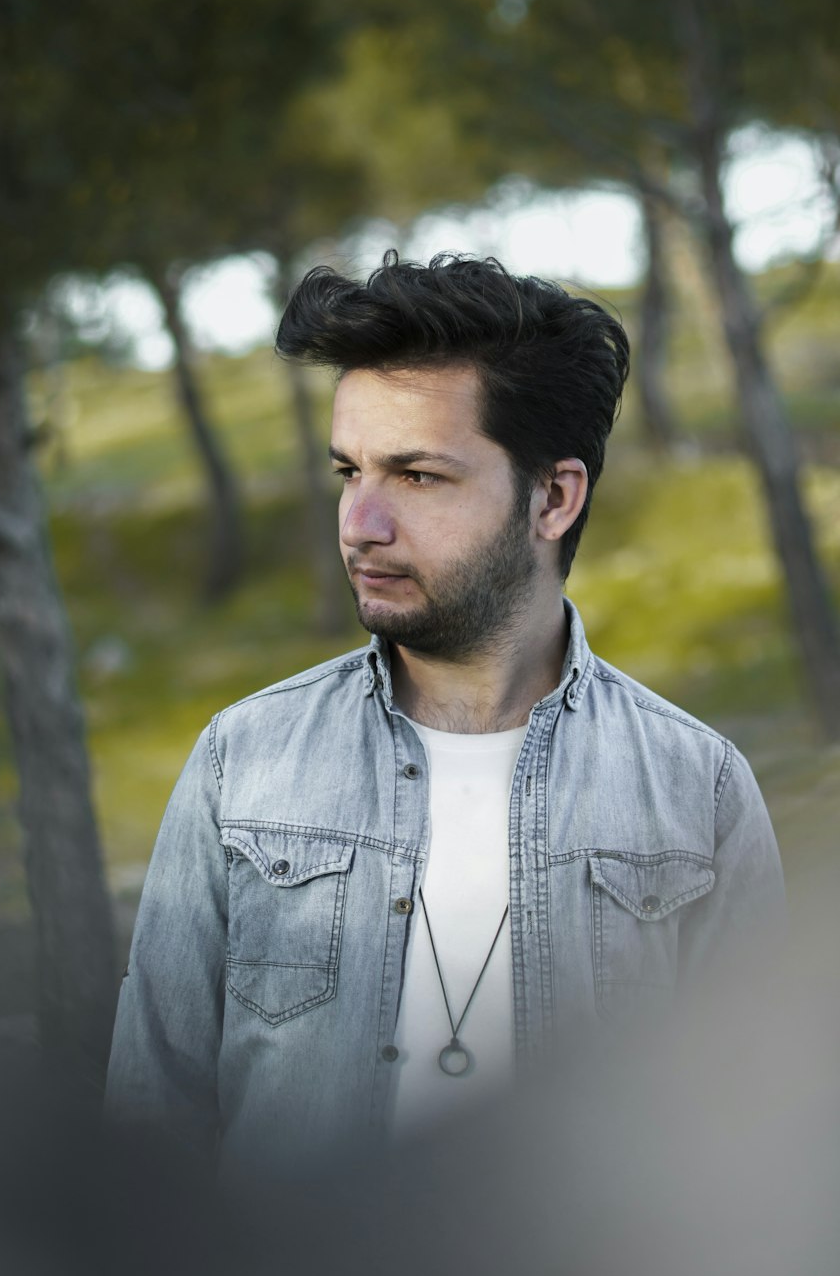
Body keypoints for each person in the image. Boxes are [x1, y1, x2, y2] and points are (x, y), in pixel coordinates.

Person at [105, 252, 784, 1175]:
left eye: (417, 476)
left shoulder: (695, 790)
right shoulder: (245, 763)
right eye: (350, 471)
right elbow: (152, 1123)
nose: (360, 522)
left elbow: (754, 1149)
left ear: (553, 498)